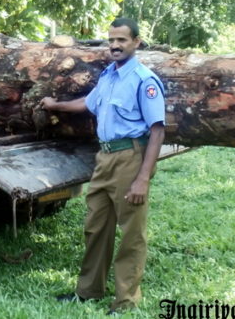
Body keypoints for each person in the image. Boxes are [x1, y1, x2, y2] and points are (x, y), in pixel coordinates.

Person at [41, 17, 165, 314]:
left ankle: (125, 300)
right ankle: (88, 291)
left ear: (136, 42)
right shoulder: (109, 75)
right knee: (96, 227)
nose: (115, 45)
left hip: (130, 158)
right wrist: (54, 106)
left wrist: (143, 179)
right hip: (105, 158)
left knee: (131, 233)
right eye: (111, 39)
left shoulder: (144, 80)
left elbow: (158, 130)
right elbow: (88, 103)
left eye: (122, 40)